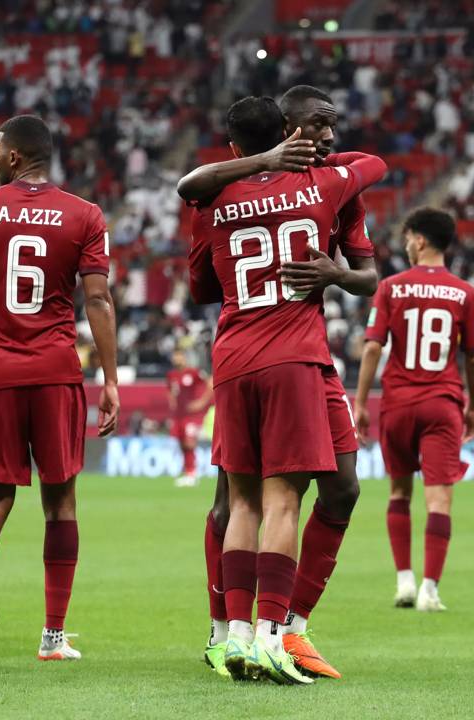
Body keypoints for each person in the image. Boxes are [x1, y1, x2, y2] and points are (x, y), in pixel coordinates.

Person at [180, 85, 378, 679]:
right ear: (287, 131)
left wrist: (337, 274)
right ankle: (242, 633)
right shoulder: (327, 184)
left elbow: (201, 279)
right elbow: (376, 165)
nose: (328, 135)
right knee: (263, 501)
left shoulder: (213, 199)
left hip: (248, 351)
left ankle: (271, 629)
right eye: (317, 126)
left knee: (331, 489)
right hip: (289, 350)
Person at [0, 115, 120, 668]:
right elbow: (97, 301)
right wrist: (111, 380)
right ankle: (52, 637)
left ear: (15, 158)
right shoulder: (84, 214)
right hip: (54, 372)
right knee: (60, 503)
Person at [354, 207, 474, 612]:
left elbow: (373, 346)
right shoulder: (466, 293)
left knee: (397, 492)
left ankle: (404, 582)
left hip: (397, 403)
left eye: (409, 237)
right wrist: (473, 408)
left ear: (421, 240)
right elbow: (473, 359)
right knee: (439, 500)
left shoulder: (390, 287)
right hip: (442, 403)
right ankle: (430, 589)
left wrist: (359, 403)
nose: (407, 244)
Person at [166, 349, 213, 488]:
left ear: (185, 358)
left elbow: (210, 384)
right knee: (182, 444)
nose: (177, 359)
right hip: (179, 416)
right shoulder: (171, 375)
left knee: (189, 443)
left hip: (192, 415)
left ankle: (192, 474)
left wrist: (201, 403)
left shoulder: (194, 373)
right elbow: (169, 390)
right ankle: (188, 472)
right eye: (175, 357)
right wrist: (172, 402)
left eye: (179, 356)